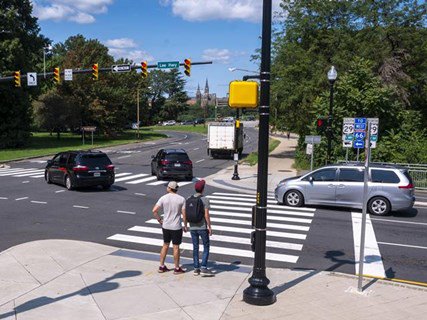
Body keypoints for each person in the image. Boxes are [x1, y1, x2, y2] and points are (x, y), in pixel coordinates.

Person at [152, 181, 187, 274]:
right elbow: (184, 214)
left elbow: (154, 210)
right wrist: (185, 225)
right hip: (176, 226)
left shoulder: (163, 198)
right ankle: (176, 268)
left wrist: (160, 220)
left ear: (169, 188)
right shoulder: (181, 199)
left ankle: (162, 266)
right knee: (176, 247)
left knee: (165, 245)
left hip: (166, 225)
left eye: (167, 187)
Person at [185, 179, 214, 276]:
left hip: (192, 227)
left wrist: (185, 225)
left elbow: (185, 213)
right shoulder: (205, 199)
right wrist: (209, 226)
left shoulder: (189, 198)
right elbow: (206, 215)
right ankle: (204, 267)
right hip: (202, 227)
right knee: (206, 246)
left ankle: (196, 268)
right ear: (203, 189)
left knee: (195, 247)